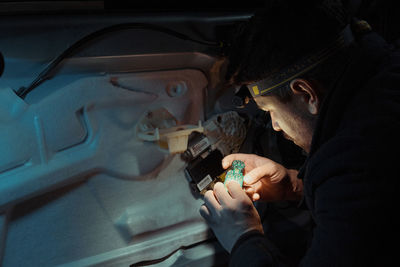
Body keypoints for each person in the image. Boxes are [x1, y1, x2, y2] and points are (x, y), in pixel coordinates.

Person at [199, 0, 400, 266]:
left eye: (270, 109)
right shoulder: (384, 77)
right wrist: (293, 186)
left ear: (306, 94)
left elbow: (356, 196)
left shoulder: (358, 166)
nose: (275, 126)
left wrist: (243, 237)